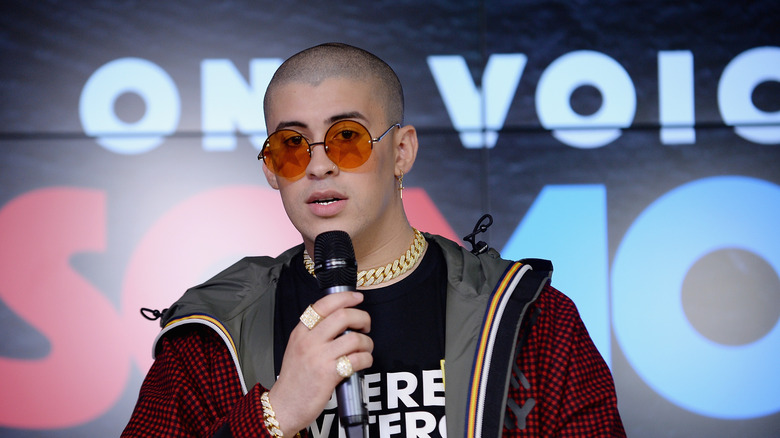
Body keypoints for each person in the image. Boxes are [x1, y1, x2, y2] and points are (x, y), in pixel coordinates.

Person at [123, 42, 625, 438]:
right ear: (272, 171)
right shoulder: (214, 338)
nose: (319, 165)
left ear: (402, 152)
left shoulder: (529, 320)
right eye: (291, 145)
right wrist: (274, 414)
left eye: (347, 138)